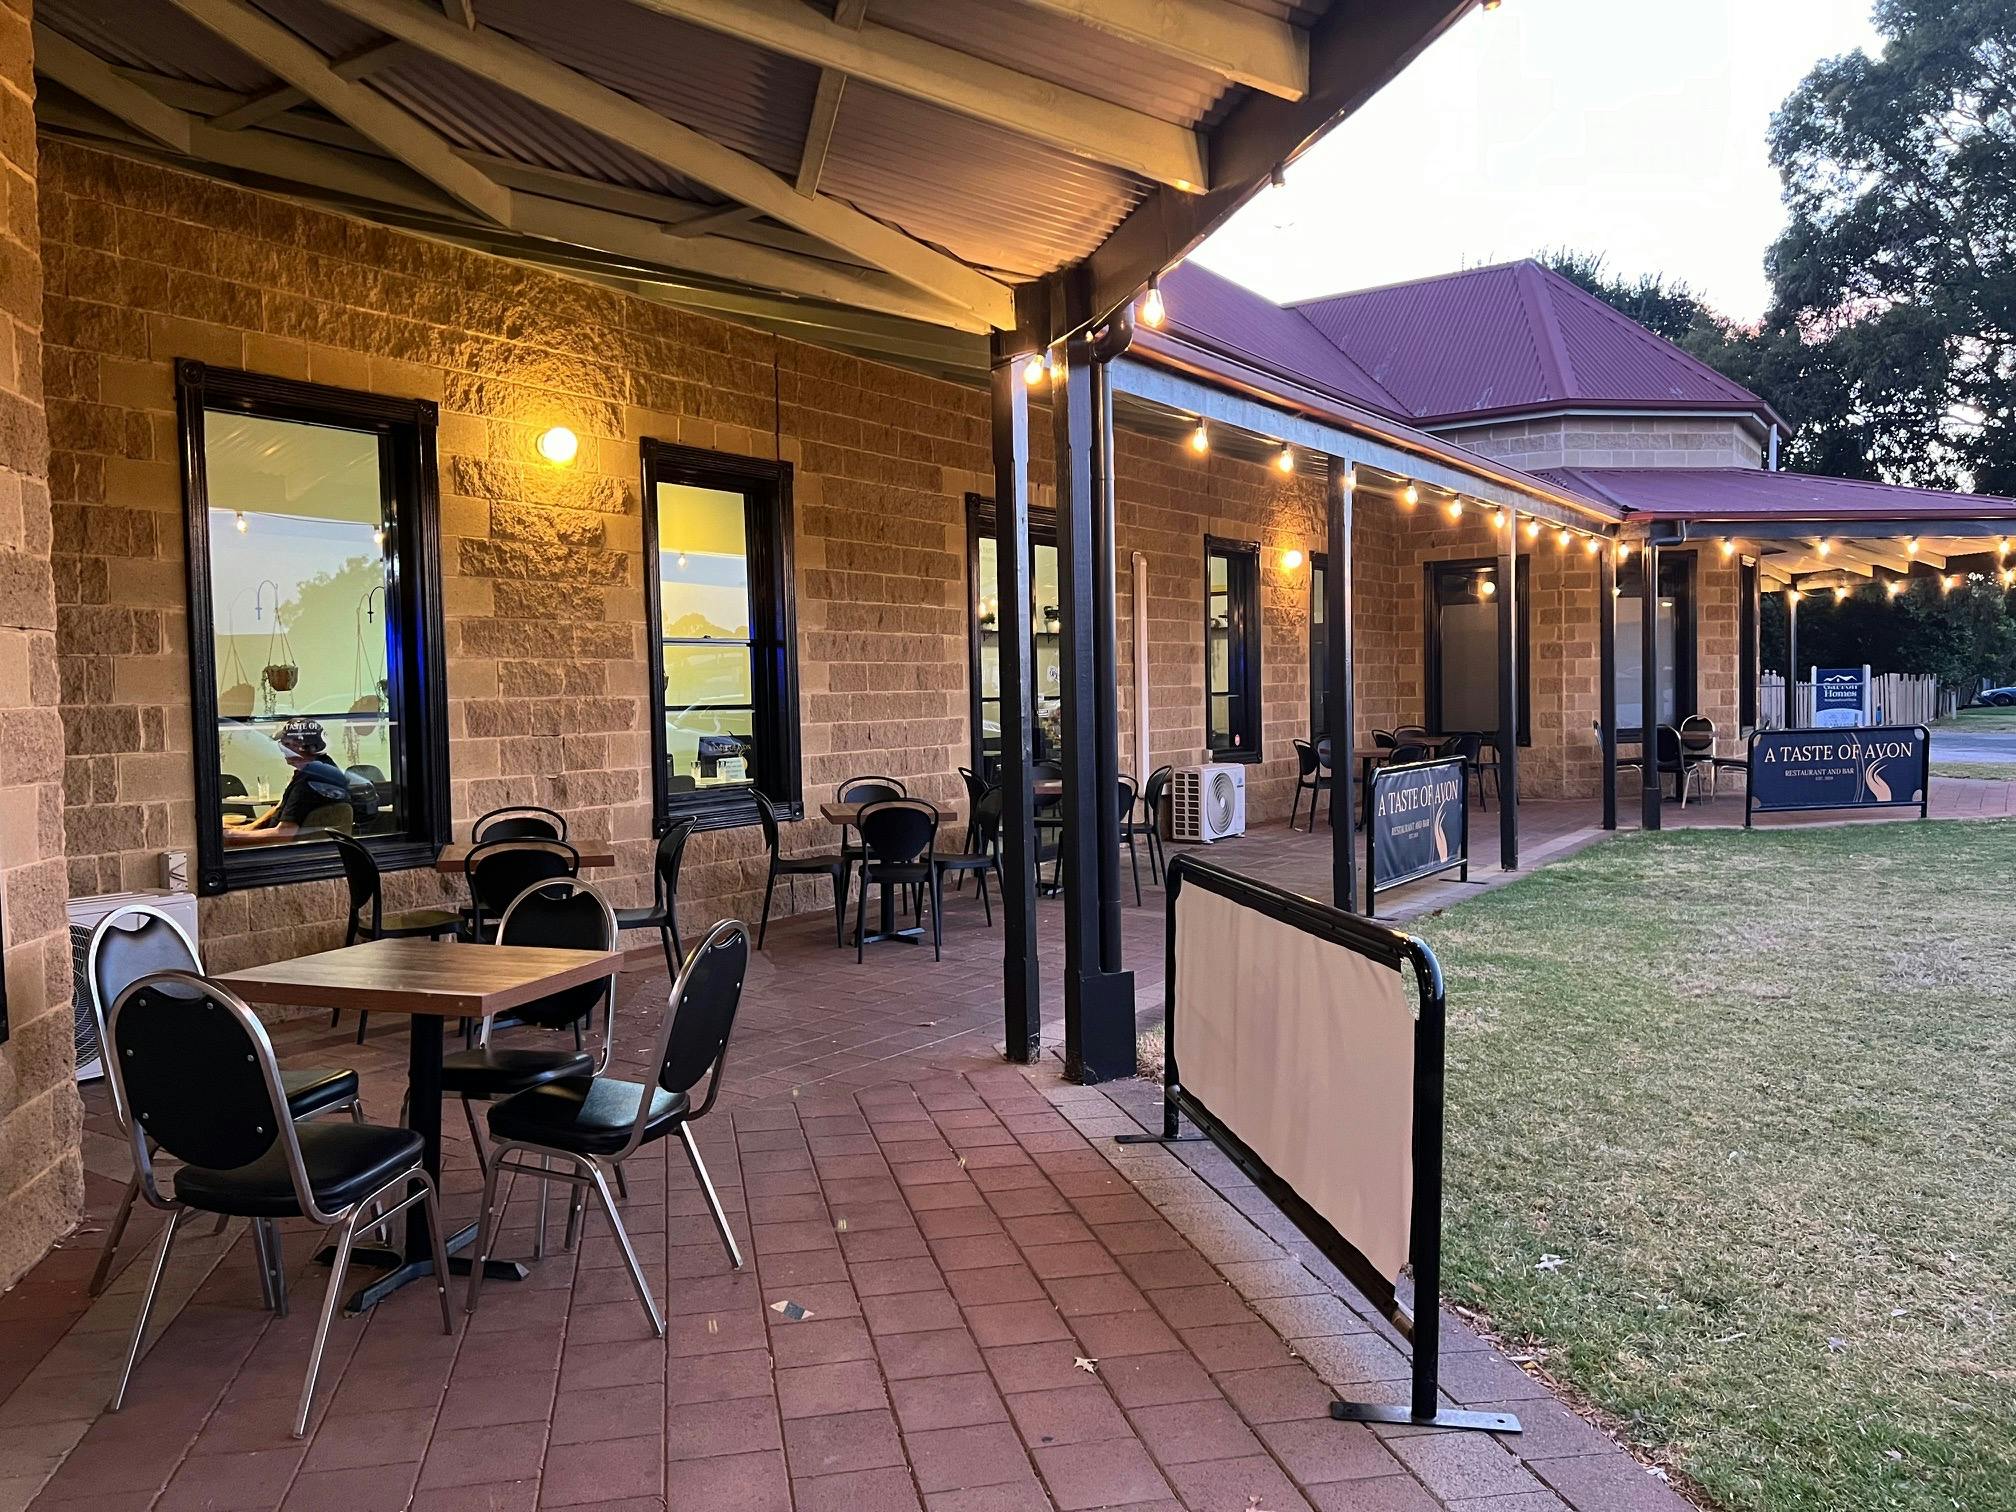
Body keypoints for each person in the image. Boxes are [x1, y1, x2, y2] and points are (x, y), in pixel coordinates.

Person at [224, 718, 356, 846]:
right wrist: (247, 828)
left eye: (286, 744)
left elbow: (284, 834)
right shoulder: (324, 768)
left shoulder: (309, 779)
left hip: (285, 854)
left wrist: (230, 836)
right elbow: (281, 808)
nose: (281, 749)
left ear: (302, 747)